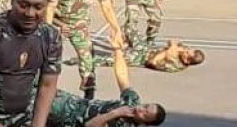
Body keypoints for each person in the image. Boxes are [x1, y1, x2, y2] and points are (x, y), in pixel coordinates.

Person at [48, 47, 166, 127]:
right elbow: (123, 78)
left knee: (39, 99)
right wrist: (118, 50)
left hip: (66, 115)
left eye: (145, 115)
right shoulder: (132, 101)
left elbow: (90, 126)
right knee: (42, 85)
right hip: (73, 100)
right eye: (145, 107)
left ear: (145, 124)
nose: (141, 110)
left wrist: (115, 113)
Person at [47, 0, 123, 100]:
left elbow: (107, 7)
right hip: (57, 23)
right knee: (48, 57)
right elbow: (49, 9)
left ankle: (89, 96)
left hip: (79, 25)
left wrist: (116, 29)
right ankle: (41, 91)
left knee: (87, 58)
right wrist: (49, 30)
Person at [66, 38, 205, 73]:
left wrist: (168, 51)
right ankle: (122, 42)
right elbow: (173, 42)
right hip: (146, 48)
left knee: (109, 60)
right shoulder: (182, 52)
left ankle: (79, 60)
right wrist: (172, 45)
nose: (185, 51)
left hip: (141, 58)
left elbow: (152, 62)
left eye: (187, 53)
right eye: (188, 50)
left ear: (187, 61)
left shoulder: (175, 66)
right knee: (130, 31)